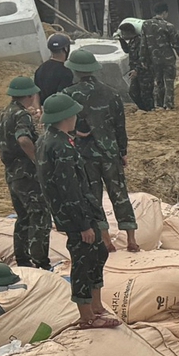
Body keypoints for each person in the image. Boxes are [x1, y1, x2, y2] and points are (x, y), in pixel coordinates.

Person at [39, 90, 116, 328]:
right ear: (65, 117)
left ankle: (96, 306)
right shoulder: (61, 146)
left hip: (77, 210)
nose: (76, 119)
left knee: (98, 254)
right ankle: (87, 316)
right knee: (84, 260)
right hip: (75, 214)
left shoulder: (48, 139)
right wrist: (83, 224)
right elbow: (68, 188)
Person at [67, 50, 135, 239]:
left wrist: (76, 133)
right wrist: (123, 151)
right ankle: (131, 237)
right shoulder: (111, 93)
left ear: (75, 70)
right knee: (119, 194)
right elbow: (120, 125)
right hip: (110, 152)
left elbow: (63, 124)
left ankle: (105, 239)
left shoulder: (68, 94)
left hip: (85, 154)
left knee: (93, 197)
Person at [0, 75, 49, 267]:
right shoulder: (21, 115)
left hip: (12, 173)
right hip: (27, 173)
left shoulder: (3, 114)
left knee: (23, 217)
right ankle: (40, 260)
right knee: (39, 215)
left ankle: (23, 259)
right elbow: (24, 139)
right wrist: (37, 162)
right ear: (28, 95)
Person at [142, 2, 179, 109]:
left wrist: (143, 59)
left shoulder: (146, 25)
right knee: (169, 82)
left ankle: (159, 104)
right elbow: (177, 44)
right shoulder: (168, 26)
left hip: (153, 59)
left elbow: (143, 44)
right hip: (168, 59)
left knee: (158, 81)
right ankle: (169, 104)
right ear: (165, 13)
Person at [117, 22, 150, 111]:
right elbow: (127, 50)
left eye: (123, 33)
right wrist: (121, 40)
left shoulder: (140, 41)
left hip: (143, 72)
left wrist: (137, 70)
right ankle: (144, 110)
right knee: (133, 93)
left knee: (146, 94)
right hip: (135, 72)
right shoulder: (132, 41)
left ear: (129, 32)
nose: (123, 35)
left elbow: (143, 57)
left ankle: (149, 110)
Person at [34, 33, 75, 102]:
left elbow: (36, 93)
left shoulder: (40, 69)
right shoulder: (66, 72)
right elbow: (64, 98)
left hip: (45, 109)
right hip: (57, 109)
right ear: (66, 49)